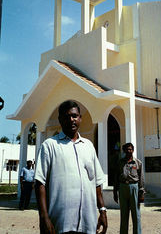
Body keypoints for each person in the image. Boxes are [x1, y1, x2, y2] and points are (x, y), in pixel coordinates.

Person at [35, 100, 108, 234]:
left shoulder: (88, 146)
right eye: (66, 116)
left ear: (80, 118)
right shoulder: (50, 145)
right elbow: (40, 183)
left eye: (74, 116)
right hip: (60, 223)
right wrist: (44, 217)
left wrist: (102, 210)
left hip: (88, 223)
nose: (71, 120)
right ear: (60, 120)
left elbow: (97, 182)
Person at [113, 143, 144, 234]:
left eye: (130, 149)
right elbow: (116, 177)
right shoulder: (120, 162)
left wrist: (141, 192)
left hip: (134, 187)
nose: (128, 151)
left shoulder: (138, 163)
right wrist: (115, 192)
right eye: (127, 149)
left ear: (133, 150)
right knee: (124, 214)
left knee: (136, 214)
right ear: (124, 151)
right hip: (123, 188)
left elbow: (141, 178)